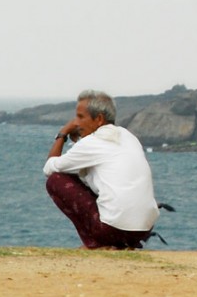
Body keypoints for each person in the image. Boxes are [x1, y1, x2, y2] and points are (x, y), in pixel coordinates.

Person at [43, 90, 159, 249]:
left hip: (112, 230)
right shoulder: (129, 137)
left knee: (55, 180)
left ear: (98, 119)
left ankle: (94, 243)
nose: (76, 123)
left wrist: (62, 134)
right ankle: (122, 245)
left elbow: (49, 167)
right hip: (142, 230)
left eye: (80, 117)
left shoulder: (92, 143)